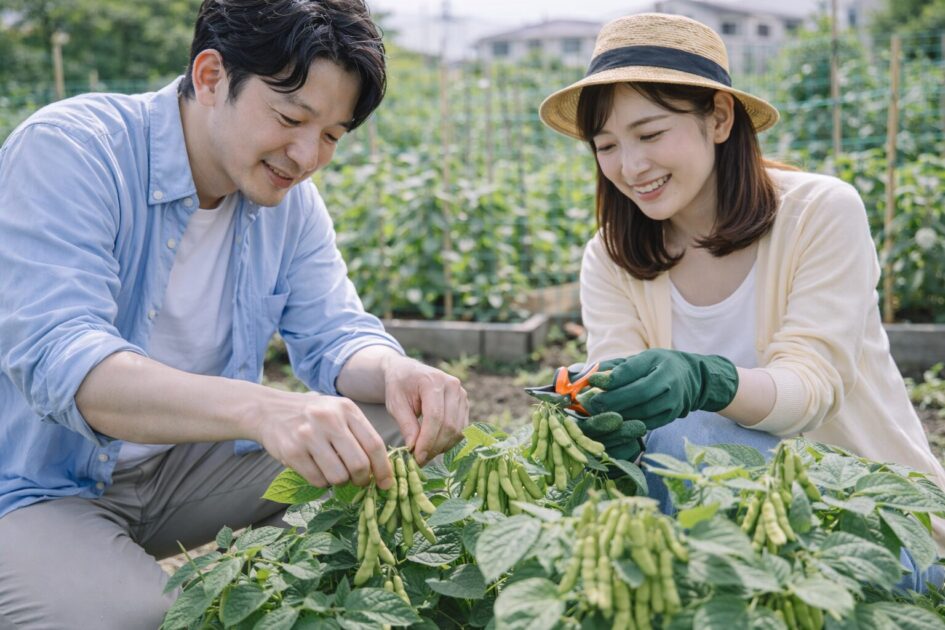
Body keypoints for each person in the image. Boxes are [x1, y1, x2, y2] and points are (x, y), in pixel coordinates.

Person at [0, 1, 468, 627]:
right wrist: (260, 407)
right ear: (211, 76)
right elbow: (67, 362)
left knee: (393, 435)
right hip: (38, 483)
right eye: (291, 117)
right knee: (136, 615)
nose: (306, 157)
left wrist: (395, 371)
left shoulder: (288, 204)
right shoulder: (75, 149)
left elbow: (334, 333)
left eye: (331, 135)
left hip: (176, 470)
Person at [538, 13, 945, 589]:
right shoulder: (610, 256)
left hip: (869, 529)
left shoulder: (820, 212)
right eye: (606, 146)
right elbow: (618, 389)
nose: (631, 167)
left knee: (686, 434)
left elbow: (813, 388)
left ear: (720, 118)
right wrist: (603, 411)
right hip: (711, 532)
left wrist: (710, 381)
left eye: (650, 134)